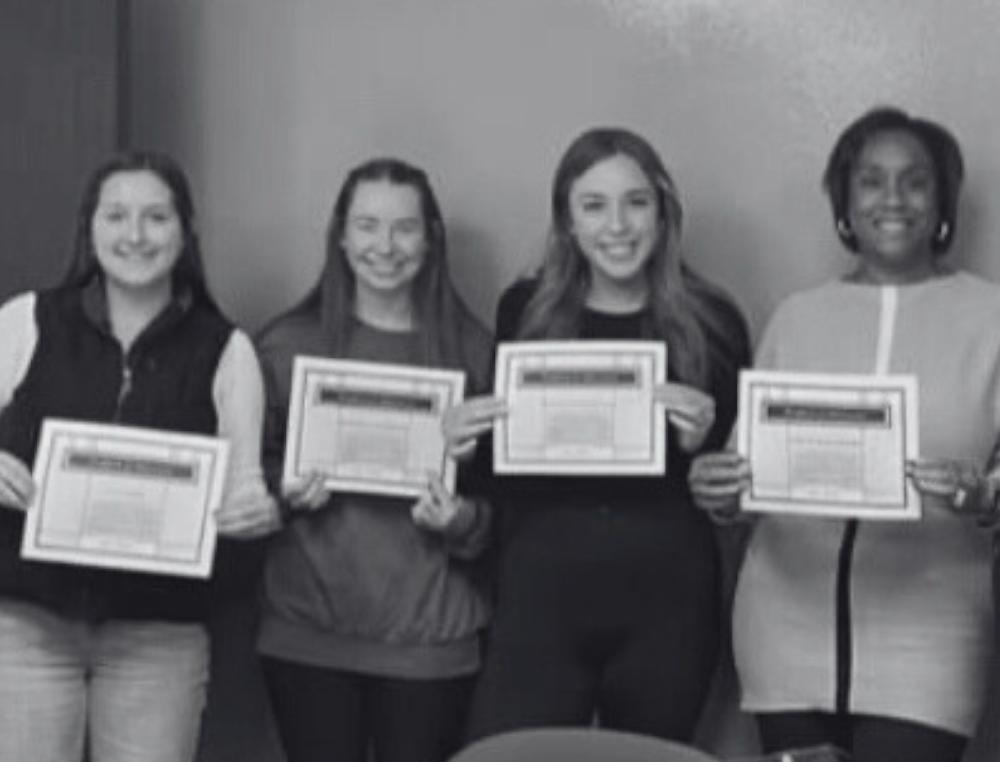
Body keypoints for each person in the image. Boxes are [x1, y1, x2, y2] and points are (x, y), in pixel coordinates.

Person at [690, 106, 1000, 762]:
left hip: (931, 636)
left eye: (915, 181)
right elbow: (748, 472)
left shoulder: (991, 318)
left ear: (943, 202)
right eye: (871, 180)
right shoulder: (798, 317)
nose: (893, 199)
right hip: (783, 629)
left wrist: (983, 495)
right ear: (844, 202)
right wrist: (720, 488)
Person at [450, 127, 750, 742]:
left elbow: (736, 492)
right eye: (594, 206)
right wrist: (461, 446)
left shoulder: (712, 320)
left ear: (663, 214)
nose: (617, 225)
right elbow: (503, 474)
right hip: (542, 585)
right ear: (567, 222)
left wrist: (704, 448)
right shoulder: (526, 310)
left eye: (636, 202)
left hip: (667, 593)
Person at [0, 150, 277, 762]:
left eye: (156, 217)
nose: (134, 235)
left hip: (160, 639)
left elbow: (246, 493)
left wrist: (256, 515)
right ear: (89, 227)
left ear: (185, 231)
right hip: (26, 629)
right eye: (116, 215)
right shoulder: (27, 321)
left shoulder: (225, 350)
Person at [256, 158, 493, 762]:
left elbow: (508, 508)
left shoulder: (475, 352)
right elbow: (243, 487)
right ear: (340, 235)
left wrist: (462, 518)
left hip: (432, 640)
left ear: (430, 238)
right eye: (367, 226)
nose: (385, 246)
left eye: (404, 228)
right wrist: (283, 496)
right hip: (307, 634)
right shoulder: (285, 345)